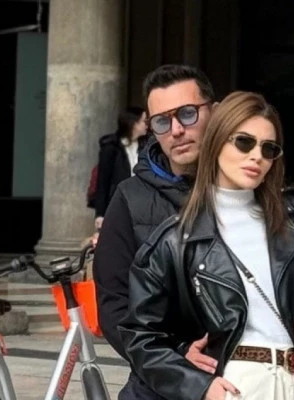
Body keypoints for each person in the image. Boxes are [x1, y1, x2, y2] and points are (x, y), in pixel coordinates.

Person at [119, 91, 294, 400]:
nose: (257, 156)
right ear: (217, 141)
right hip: (234, 385)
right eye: (244, 142)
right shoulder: (176, 238)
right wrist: (199, 386)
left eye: (269, 149)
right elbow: (142, 335)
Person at [93, 64, 219, 399]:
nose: (176, 130)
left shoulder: (250, 190)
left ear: (216, 112)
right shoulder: (130, 198)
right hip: (160, 385)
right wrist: (174, 359)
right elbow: (115, 304)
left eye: (188, 114)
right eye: (162, 121)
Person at [93, 107, 148, 230]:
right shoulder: (111, 147)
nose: (147, 124)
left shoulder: (146, 146)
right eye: (144, 121)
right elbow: (103, 182)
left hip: (142, 204)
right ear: (133, 123)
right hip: (119, 203)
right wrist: (100, 214)